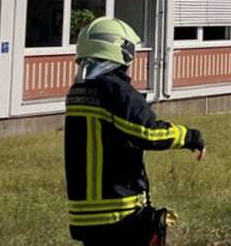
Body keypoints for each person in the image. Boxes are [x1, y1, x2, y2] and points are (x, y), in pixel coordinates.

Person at [64, 17, 205, 245]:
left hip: (83, 214)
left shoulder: (78, 90)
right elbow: (148, 133)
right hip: (117, 209)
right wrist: (190, 136)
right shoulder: (116, 90)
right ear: (120, 50)